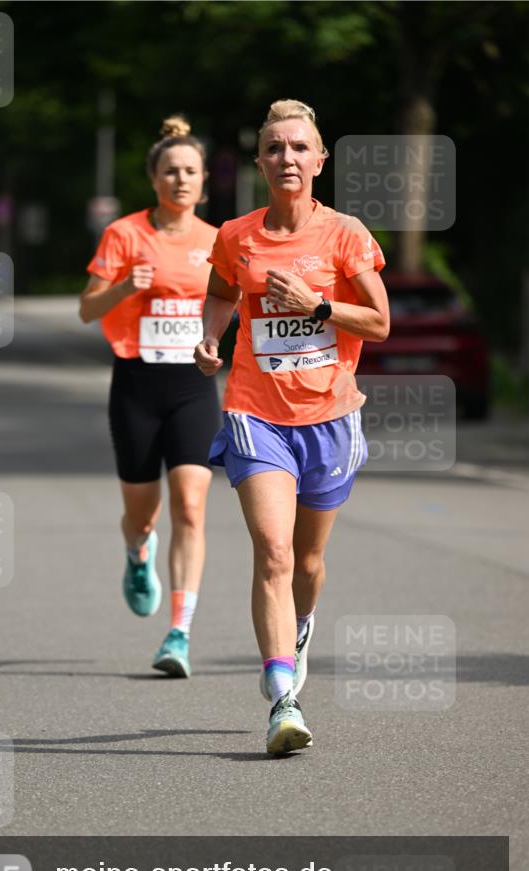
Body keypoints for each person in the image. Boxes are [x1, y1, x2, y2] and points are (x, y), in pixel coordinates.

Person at [194, 99, 389, 754]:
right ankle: (282, 697)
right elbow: (222, 292)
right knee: (273, 551)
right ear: (258, 161)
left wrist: (318, 305)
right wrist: (209, 338)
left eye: (299, 148)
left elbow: (380, 322)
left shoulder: (345, 234)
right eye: (274, 148)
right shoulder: (236, 234)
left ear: (319, 159)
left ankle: (300, 626)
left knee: (307, 561)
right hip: (254, 409)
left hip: (330, 415)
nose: (287, 159)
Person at [79, 116, 219, 678]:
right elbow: (87, 310)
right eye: (170, 171)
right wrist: (122, 287)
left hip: (193, 384)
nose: (180, 179)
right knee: (142, 515)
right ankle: (139, 553)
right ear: (154, 179)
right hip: (136, 382)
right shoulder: (124, 235)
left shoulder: (218, 240)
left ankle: (179, 633)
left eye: (190, 171)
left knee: (190, 504)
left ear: (204, 181)